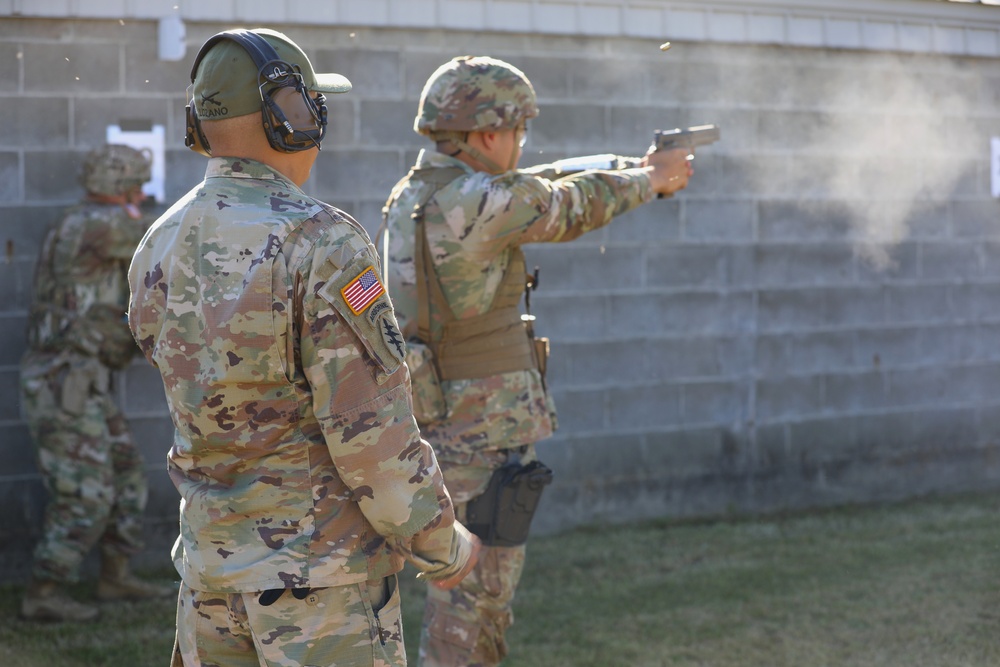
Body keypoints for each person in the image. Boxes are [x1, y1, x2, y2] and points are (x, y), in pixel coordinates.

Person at [127, 28, 479, 667]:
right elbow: (370, 435)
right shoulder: (323, 242)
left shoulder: (161, 239)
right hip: (320, 590)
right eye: (313, 105)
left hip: (209, 580)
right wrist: (441, 542)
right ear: (289, 116)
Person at [383, 55, 693, 667]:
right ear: (489, 133)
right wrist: (651, 180)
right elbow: (565, 205)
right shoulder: (482, 201)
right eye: (517, 132)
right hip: (482, 431)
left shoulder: (418, 192)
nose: (522, 146)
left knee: (459, 592)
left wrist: (624, 167)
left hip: (439, 417)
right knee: (476, 603)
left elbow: (538, 185)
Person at [19, 143, 173, 622]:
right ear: (117, 185)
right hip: (59, 382)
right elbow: (166, 242)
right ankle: (43, 591)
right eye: (135, 185)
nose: (141, 193)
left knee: (127, 477)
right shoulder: (92, 225)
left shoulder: (95, 222)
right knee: (86, 493)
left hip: (84, 381)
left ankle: (114, 576)